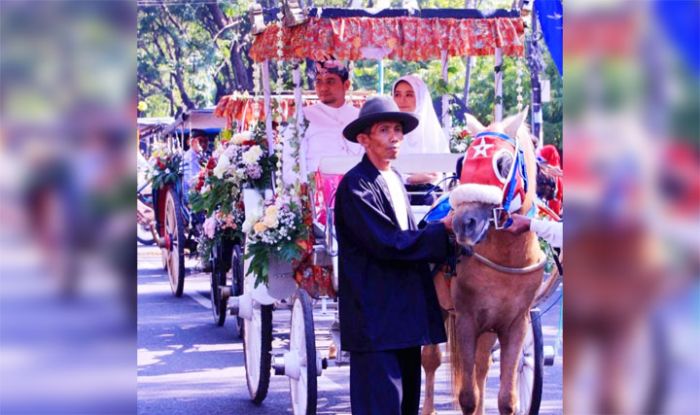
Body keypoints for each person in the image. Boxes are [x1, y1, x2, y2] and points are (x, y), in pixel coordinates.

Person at [336, 96, 454, 415]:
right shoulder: (355, 187)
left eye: (398, 130)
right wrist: (442, 231)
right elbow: (388, 242)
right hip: (375, 317)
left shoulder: (394, 179)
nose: (394, 137)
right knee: (382, 405)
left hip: (403, 316)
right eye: (384, 130)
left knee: (405, 407)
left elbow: (406, 236)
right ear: (364, 139)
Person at [282, 60, 363, 185]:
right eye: (319, 81)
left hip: (357, 190)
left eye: (330, 81)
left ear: (346, 85)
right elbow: (290, 164)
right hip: (318, 193)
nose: (323, 88)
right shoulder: (303, 116)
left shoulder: (359, 116)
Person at [392, 75, 450, 204]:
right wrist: (409, 179)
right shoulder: (388, 131)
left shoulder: (432, 131)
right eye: (397, 94)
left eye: (409, 95)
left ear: (420, 97)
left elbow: (438, 174)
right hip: (393, 192)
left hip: (429, 195)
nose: (402, 100)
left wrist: (420, 178)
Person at [182, 129, 208, 197]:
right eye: (200, 141)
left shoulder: (202, 155)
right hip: (191, 195)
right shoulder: (189, 157)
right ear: (192, 142)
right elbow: (192, 182)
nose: (203, 144)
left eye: (206, 141)